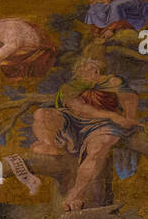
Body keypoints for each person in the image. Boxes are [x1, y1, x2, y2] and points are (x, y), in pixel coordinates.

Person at [30, 55, 139, 211]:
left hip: (104, 125)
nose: (85, 74)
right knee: (41, 114)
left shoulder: (112, 82)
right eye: (81, 72)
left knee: (97, 149)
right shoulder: (72, 87)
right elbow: (79, 108)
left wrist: (130, 117)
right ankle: (50, 145)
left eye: (89, 70)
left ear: (96, 70)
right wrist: (111, 114)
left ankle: (76, 193)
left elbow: (129, 98)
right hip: (75, 120)